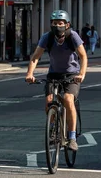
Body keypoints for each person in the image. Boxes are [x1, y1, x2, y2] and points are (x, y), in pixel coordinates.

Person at [25, 10, 88, 151]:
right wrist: (30, 73)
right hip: (53, 75)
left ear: (67, 25)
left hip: (72, 75)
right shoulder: (47, 37)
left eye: (60, 23)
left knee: (68, 99)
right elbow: (36, 57)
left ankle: (71, 137)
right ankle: (52, 127)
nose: (57, 26)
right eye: (54, 23)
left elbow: (83, 56)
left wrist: (81, 74)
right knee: (49, 101)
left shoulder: (73, 36)